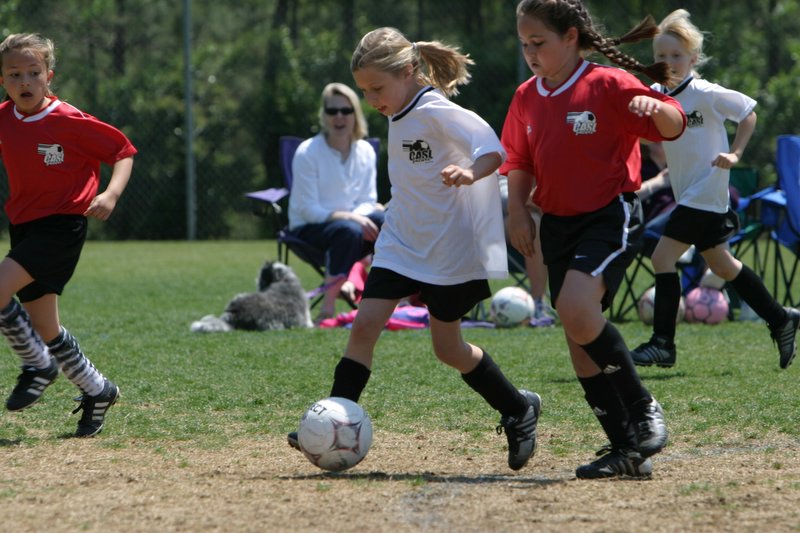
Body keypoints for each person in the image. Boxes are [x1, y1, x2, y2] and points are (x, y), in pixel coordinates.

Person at [288, 27, 542, 471]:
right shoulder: (397, 106)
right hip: (402, 241)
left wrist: (470, 173)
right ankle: (333, 421)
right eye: (364, 91)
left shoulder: (435, 109)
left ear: (407, 71)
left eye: (377, 89)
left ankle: (518, 408)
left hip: (449, 249)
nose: (371, 100)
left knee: (448, 349)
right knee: (364, 326)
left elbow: (493, 150)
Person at [501, 0, 686, 479]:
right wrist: (518, 210)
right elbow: (518, 160)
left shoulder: (607, 84)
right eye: (523, 44)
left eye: (538, 42)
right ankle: (626, 450)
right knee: (578, 337)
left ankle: (643, 407)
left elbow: (674, 124)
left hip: (608, 214)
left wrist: (657, 107)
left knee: (575, 309)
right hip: (557, 224)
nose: (530, 53)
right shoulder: (526, 96)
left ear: (570, 37)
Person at [630, 9, 800, 370]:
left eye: (676, 55)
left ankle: (662, 344)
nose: (668, 62)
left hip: (706, 190)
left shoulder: (704, 93)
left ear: (693, 59)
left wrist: (735, 153)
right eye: (661, 55)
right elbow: (647, 132)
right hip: (689, 192)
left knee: (662, 258)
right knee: (722, 265)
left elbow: (748, 112)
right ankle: (781, 317)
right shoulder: (657, 94)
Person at [0, 33, 136, 436]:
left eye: (33, 72)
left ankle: (38, 365)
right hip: (24, 225)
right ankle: (98, 389)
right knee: (46, 327)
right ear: (3, 81)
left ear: (49, 76)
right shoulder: (4, 117)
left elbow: (123, 151)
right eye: (14, 74)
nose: (25, 81)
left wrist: (111, 194)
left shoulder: (68, 119)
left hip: (62, 225)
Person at [288, 82, 385, 322]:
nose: (339, 116)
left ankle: (391, 301)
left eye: (346, 110)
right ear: (324, 115)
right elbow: (307, 209)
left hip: (353, 227)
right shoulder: (307, 152)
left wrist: (356, 217)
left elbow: (368, 200)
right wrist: (351, 217)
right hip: (309, 229)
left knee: (387, 220)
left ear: (355, 114)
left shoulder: (366, 151)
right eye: (332, 111)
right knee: (348, 230)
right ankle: (327, 308)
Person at [498, 174, 556, 327]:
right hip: (491, 226)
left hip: (540, 226)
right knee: (533, 223)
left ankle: (576, 304)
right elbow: (502, 197)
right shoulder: (488, 162)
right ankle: (538, 302)